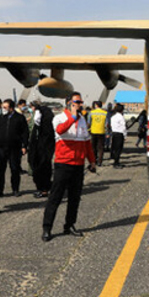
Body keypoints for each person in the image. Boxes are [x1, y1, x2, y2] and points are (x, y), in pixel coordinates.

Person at [42, 92, 96, 242]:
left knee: (75, 198)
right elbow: (60, 130)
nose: (80, 105)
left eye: (80, 102)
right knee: (55, 197)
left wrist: (92, 161)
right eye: (77, 102)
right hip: (63, 164)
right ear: (69, 104)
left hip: (78, 165)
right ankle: (47, 228)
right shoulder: (59, 118)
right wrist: (72, 117)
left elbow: (86, 142)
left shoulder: (83, 120)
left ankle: (69, 225)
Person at [0, 99, 29, 197]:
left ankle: (15, 189)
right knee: (0, 170)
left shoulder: (20, 118)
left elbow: (25, 133)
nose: (3, 109)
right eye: (2, 107)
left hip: (15, 148)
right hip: (1, 148)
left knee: (15, 169)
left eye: (5, 107)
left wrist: (24, 145)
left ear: (11, 108)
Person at [28, 103, 55, 198]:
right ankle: (43, 188)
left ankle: (43, 189)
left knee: (42, 170)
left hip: (42, 153)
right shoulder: (39, 127)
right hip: (39, 152)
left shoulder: (46, 129)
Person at [88, 101, 107, 166]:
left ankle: (94, 160)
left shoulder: (92, 112)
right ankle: (100, 161)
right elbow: (107, 124)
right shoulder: (105, 113)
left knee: (93, 147)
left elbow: (89, 123)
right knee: (101, 148)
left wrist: (88, 130)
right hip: (102, 132)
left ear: (96, 105)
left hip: (93, 131)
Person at [110, 103, 127, 169]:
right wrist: (125, 135)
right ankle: (116, 163)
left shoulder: (113, 117)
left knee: (114, 148)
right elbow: (123, 127)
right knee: (118, 149)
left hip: (114, 133)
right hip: (120, 134)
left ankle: (116, 161)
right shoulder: (121, 117)